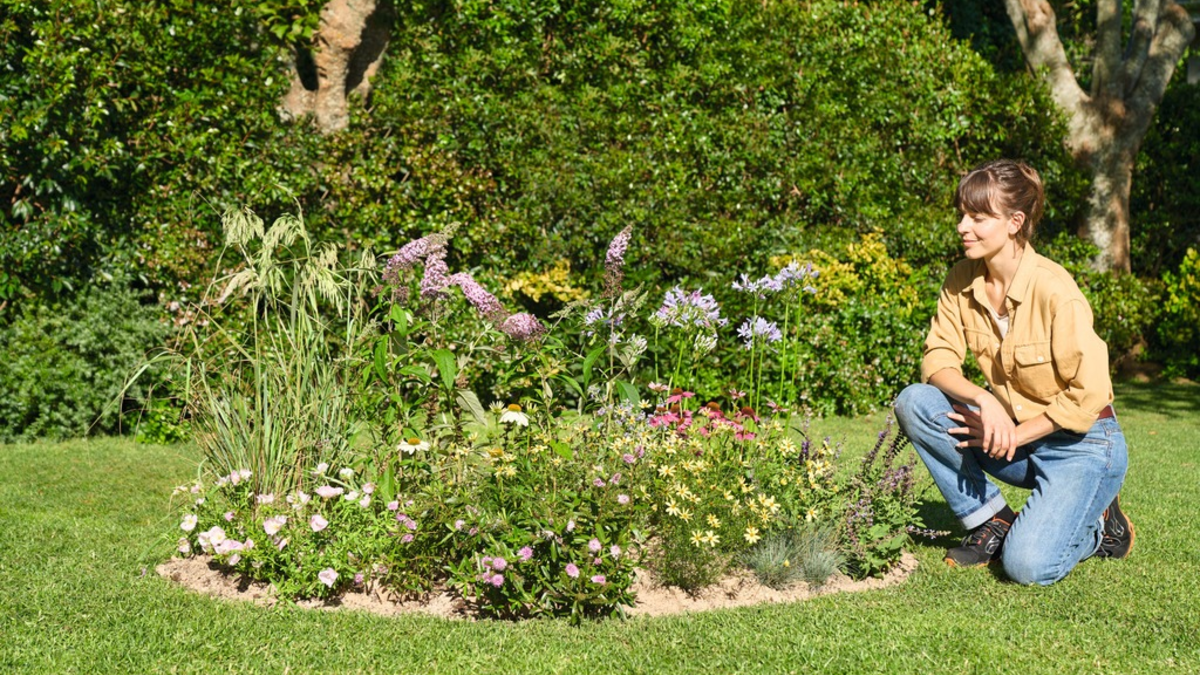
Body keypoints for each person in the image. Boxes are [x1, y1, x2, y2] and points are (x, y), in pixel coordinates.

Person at [893, 159, 1134, 585]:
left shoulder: (1056, 291)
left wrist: (1014, 434)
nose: (963, 227)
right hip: (1012, 438)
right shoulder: (960, 280)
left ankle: (1100, 527)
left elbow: (1090, 392)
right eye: (962, 215)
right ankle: (992, 521)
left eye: (978, 217)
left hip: (1083, 445)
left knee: (1026, 566)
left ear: (1014, 222)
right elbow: (938, 359)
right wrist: (984, 400)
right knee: (916, 402)